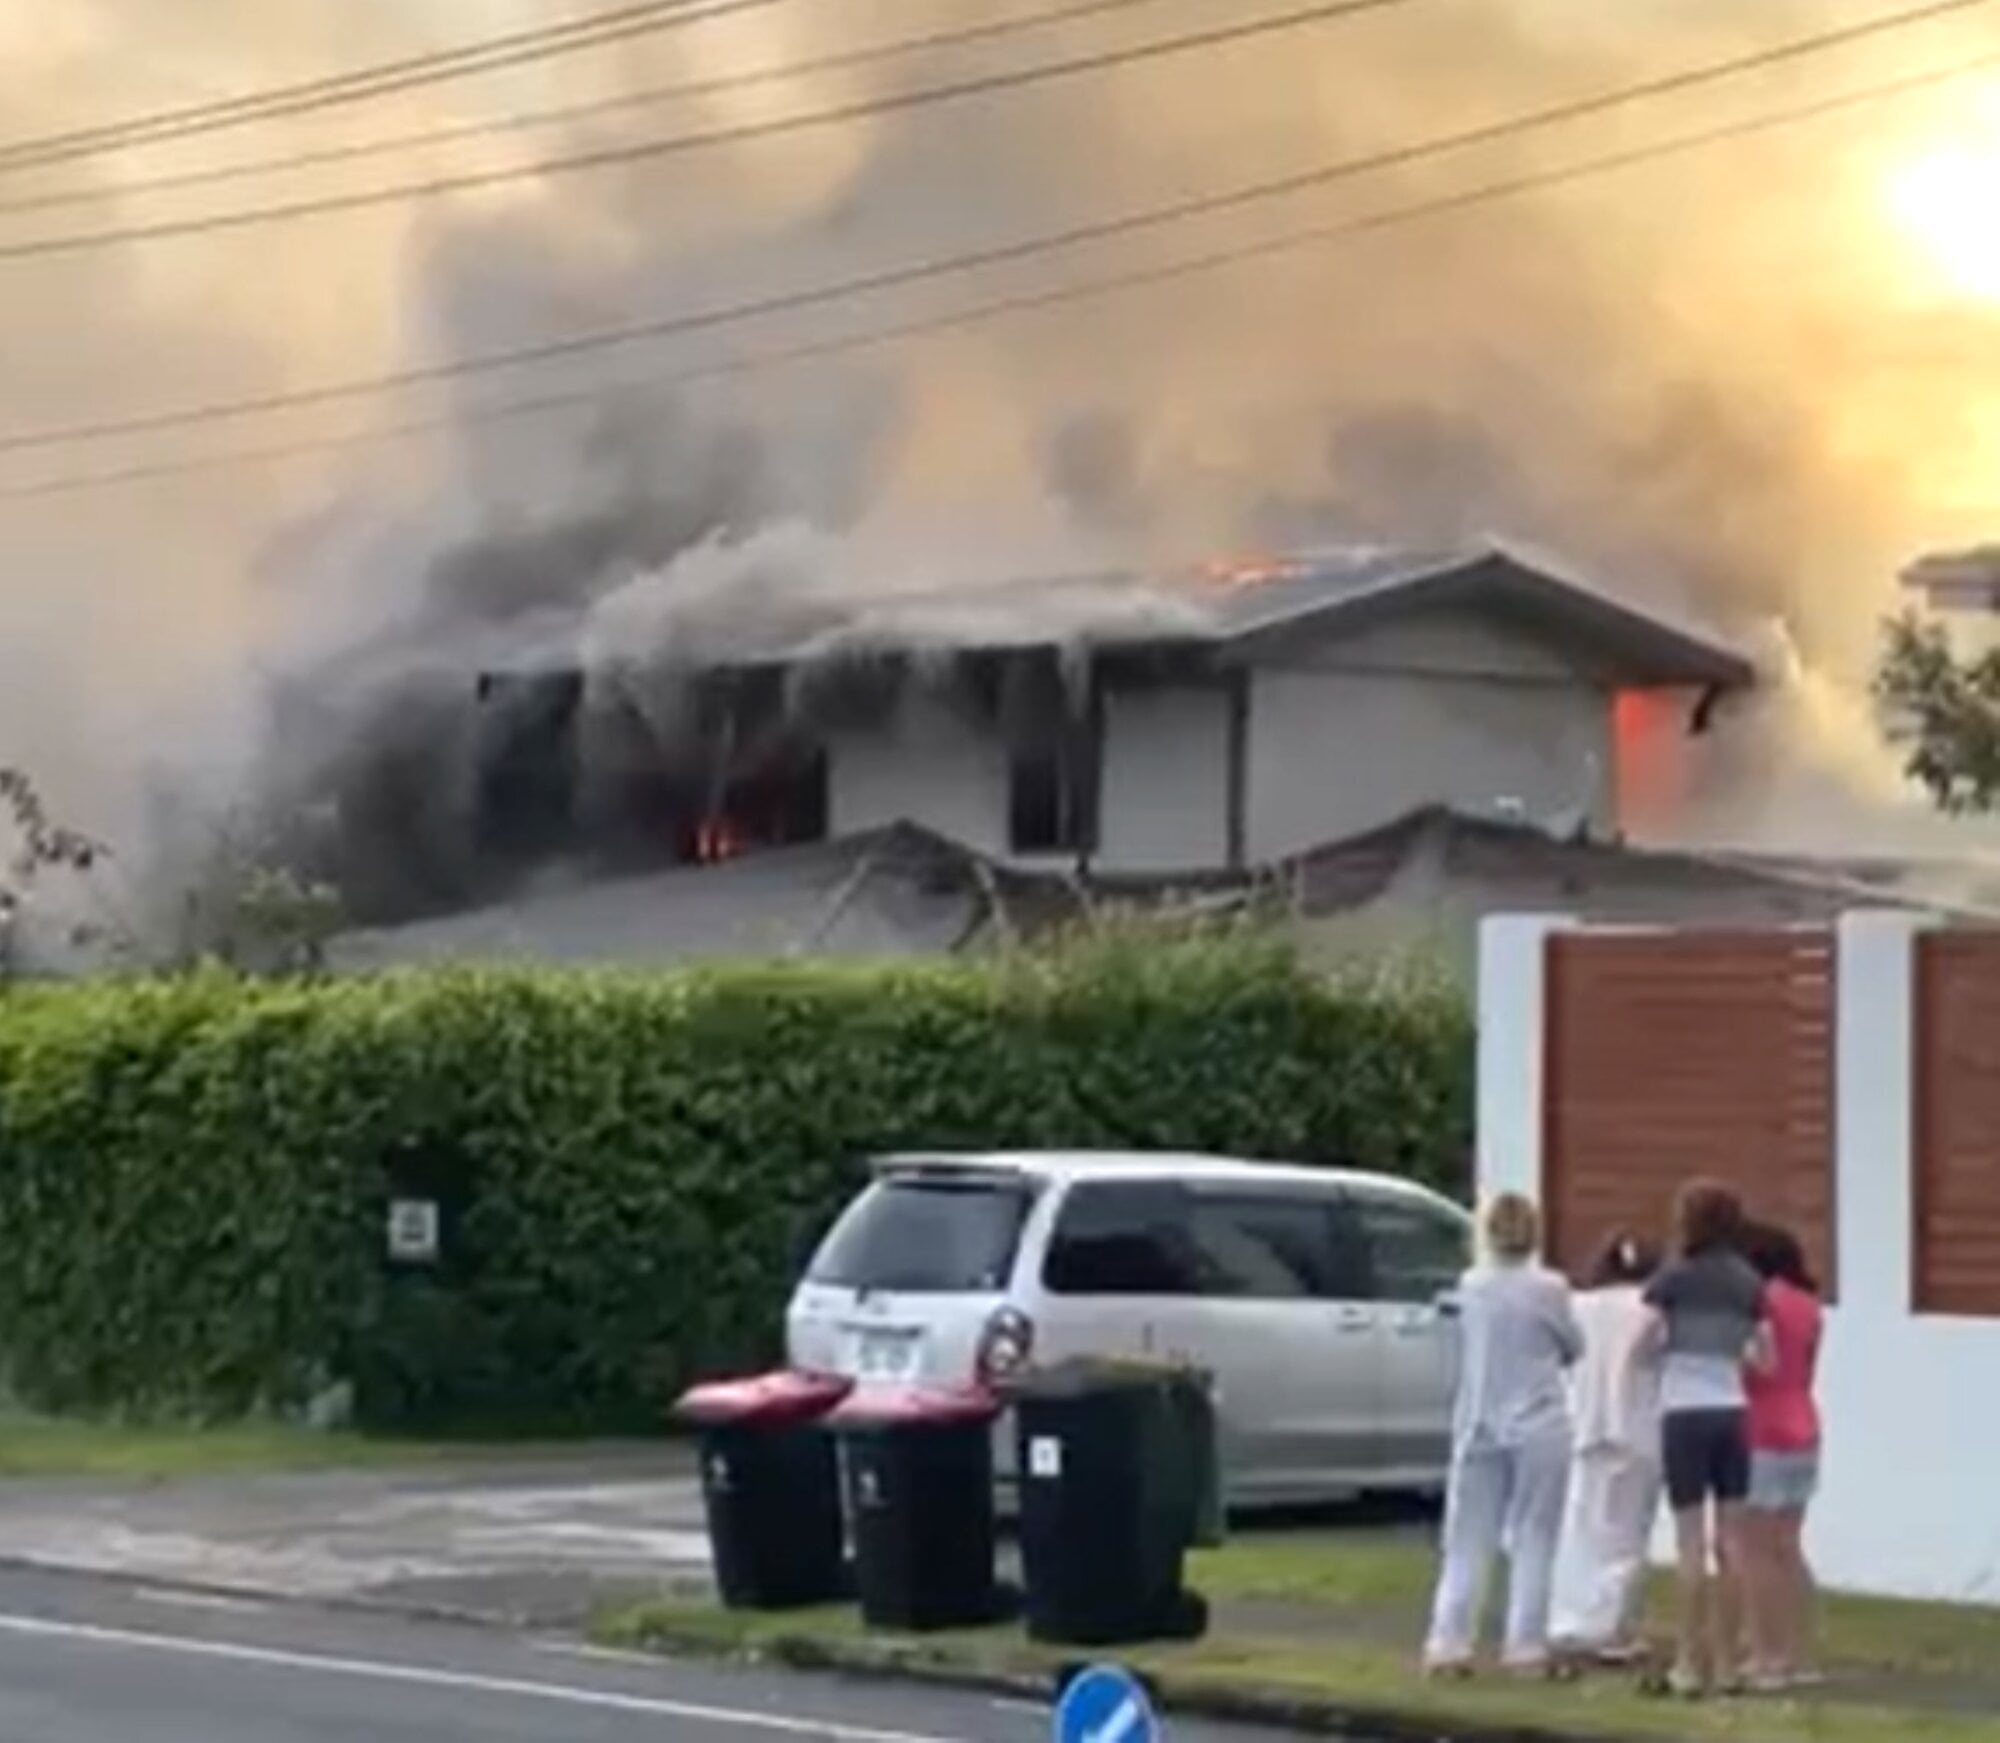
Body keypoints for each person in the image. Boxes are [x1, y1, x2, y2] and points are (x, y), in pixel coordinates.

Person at [1423, 1191, 1584, 1678]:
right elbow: (1574, 1346)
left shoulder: (1472, 1285)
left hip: (1478, 1421)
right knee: (1534, 1534)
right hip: (1538, 1421)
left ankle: (1449, 1642)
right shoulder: (1551, 1288)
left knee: (1467, 1537)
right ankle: (1525, 1646)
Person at [1642, 1180, 1771, 1698]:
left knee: (1690, 1544)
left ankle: (1687, 1664)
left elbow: (1643, 1340)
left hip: (1685, 1415)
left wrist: (1664, 1356)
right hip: (1732, 1413)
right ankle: (1730, 1665)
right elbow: (1766, 1358)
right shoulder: (1748, 1282)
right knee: (1733, 1545)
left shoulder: (1672, 1277)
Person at [1548, 1230, 1663, 1665]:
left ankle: (1569, 1618)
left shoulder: (1578, 1306)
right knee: (1627, 1534)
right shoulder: (1652, 1310)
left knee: (1581, 1527)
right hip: (1635, 1428)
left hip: (1583, 1425)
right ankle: (1613, 1626)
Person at [1737, 1220, 1824, 1693]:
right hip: (1803, 1423)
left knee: (1756, 1550)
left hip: (1761, 1428)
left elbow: (1755, 1363)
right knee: (1788, 1545)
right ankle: (1798, 1653)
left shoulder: (1758, 1304)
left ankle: (1766, 1655)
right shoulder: (1808, 1305)